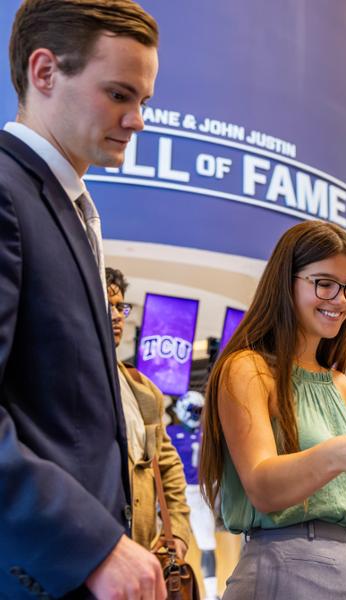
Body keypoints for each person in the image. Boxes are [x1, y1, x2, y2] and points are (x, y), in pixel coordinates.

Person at [0, 1, 163, 598]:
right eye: (119, 95)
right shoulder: (6, 193)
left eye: (143, 100)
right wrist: (88, 545)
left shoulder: (67, 209)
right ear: (44, 72)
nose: (137, 120)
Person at [198, 220, 346, 600]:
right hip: (281, 567)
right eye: (324, 283)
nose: (340, 300)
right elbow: (262, 487)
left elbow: (333, 498)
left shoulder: (340, 387)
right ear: (286, 282)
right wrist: (339, 453)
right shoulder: (249, 369)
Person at [106, 267, 193, 557]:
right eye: (108, 306)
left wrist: (177, 529)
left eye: (121, 306)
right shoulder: (64, 380)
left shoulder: (141, 388)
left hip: (143, 550)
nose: (117, 316)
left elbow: (166, 462)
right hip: (89, 555)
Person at [168, 390, 220, 598]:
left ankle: (211, 593)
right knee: (171, 544)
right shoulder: (171, 433)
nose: (197, 414)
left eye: (200, 410)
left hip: (199, 492)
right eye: (194, 410)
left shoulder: (207, 434)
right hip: (177, 493)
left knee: (207, 544)